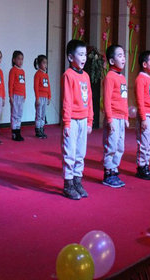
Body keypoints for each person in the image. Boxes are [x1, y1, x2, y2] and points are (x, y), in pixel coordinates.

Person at [61, 39, 93, 200]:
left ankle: (77, 181)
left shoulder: (86, 76)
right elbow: (67, 100)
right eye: (80, 54)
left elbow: (90, 100)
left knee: (81, 153)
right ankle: (68, 184)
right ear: (70, 57)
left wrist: (90, 120)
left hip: (83, 119)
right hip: (72, 120)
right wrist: (67, 123)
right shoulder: (68, 75)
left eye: (85, 54)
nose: (84, 58)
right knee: (70, 153)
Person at [102, 44, 128, 188]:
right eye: (120, 56)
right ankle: (108, 173)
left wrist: (126, 117)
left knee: (120, 146)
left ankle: (114, 169)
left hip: (121, 118)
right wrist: (109, 119)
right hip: (113, 118)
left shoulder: (122, 77)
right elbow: (106, 100)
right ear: (112, 61)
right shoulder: (109, 77)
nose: (123, 58)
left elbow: (124, 99)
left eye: (124, 55)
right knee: (111, 146)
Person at [134, 50, 150, 180]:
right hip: (145, 115)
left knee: (149, 143)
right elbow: (140, 100)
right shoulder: (140, 79)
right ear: (144, 64)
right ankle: (141, 167)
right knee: (144, 142)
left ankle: (146, 165)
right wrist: (143, 118)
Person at [8, 50, 26, 141]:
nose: (20, 61)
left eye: (22, 59)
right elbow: (10, 84)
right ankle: (14, 132)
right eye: (18, 59)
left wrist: (24, 95)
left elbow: (23, 84)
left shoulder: (22, 71)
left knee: (19, 114)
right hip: (15, 95)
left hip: (21, 96)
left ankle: (18, 131)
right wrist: (10, 96)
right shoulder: (13, 70)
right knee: (14, 114)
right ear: (14, 60)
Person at [34, 54, 51, 139]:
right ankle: (38, 130)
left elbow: (48, 87)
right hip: (40, 97)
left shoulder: (46, 75)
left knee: (43, 114)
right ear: (39, 64)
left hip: (45, 97)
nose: (45, 65)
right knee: (39, 114)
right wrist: (37, 98)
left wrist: (49, 97)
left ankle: (42, 128)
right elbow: (36, 87)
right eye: (44, 63)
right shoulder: (38, 74)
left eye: (46, 63)